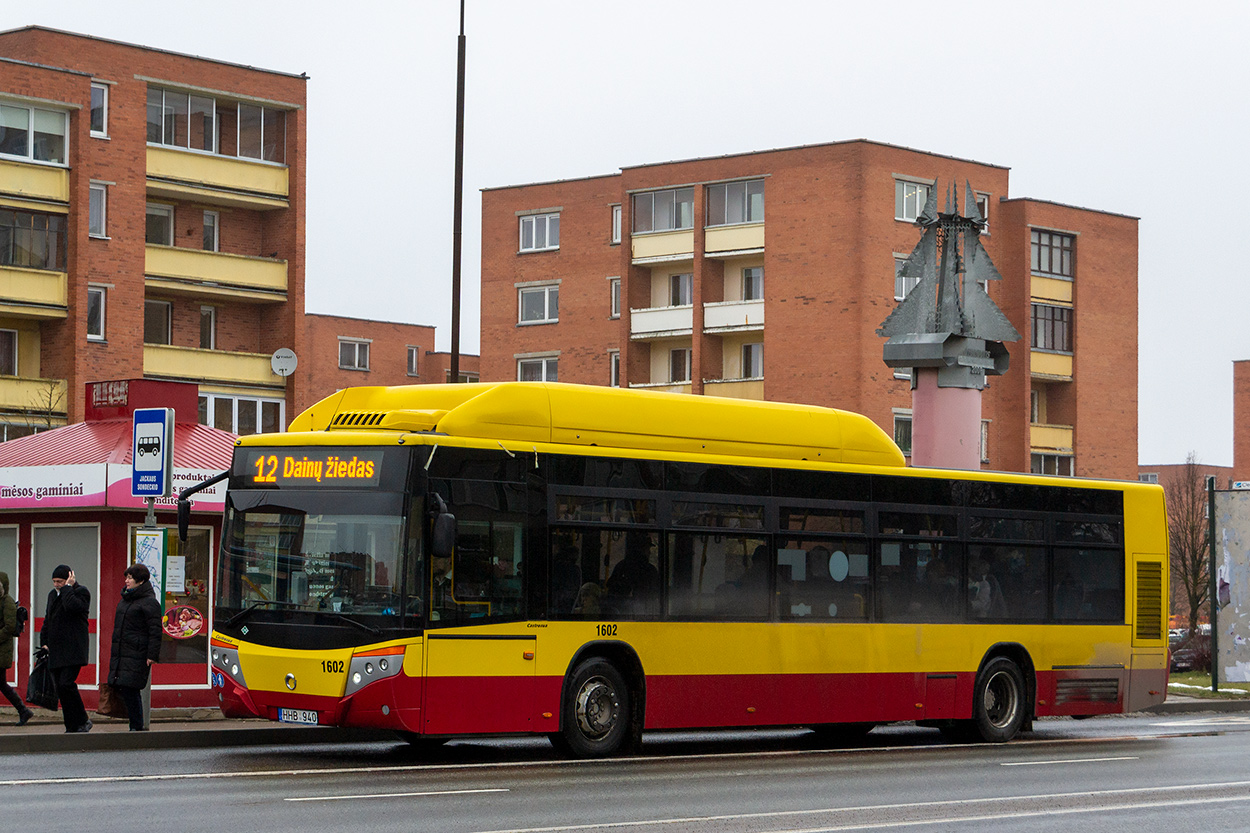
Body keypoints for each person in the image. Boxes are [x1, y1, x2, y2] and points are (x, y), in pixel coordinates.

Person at [107, 564, 162, 731]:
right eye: (127, 577)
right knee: (124, 687)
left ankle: (137, 726)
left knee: (132, 689)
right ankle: (134, 724)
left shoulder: (149, 602)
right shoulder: (125, 600)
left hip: (137, 653)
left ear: (141, 581)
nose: (126, 581)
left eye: (130, 578)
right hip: (122, 652)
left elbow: (155, 631)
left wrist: (151, 655)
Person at [41, 564, 92, 733]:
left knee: (67, 683)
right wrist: (44, 641)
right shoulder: (52, 595)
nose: (56, 585)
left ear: (69, 579)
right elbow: (48, 619)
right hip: (56, 650)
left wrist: (68, 588)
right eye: (54, 581)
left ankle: (83, 719)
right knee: (61, 688)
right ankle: (71, 725)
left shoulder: (80, 592)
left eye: (60, 581)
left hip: (73, 649)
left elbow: (72, 607)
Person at [0, 572, 33, 725]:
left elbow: (10, 627)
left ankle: (23, 710)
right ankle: (23, 710)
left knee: (2, 684)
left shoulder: (7, 602)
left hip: (2, 651)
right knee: (2, 684)